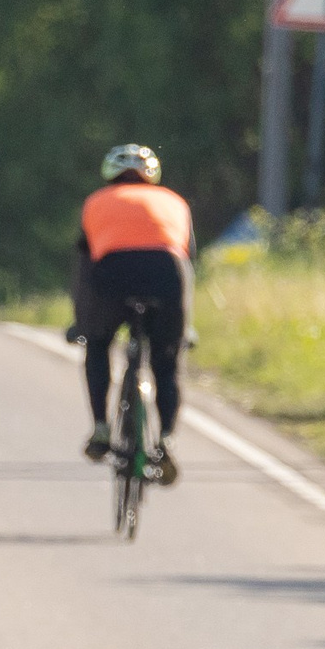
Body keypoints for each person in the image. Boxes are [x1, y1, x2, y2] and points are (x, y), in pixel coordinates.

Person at [70, 144, 194, 484]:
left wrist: (82, 322)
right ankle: (166, 440)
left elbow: (84, 266)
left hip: (112, 275)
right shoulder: (174, 202)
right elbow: (186, 261)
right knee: (166, 363)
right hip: (167, 276)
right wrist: (185, 326)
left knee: (97, 345)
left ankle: (100, 428)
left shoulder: (96, 202)